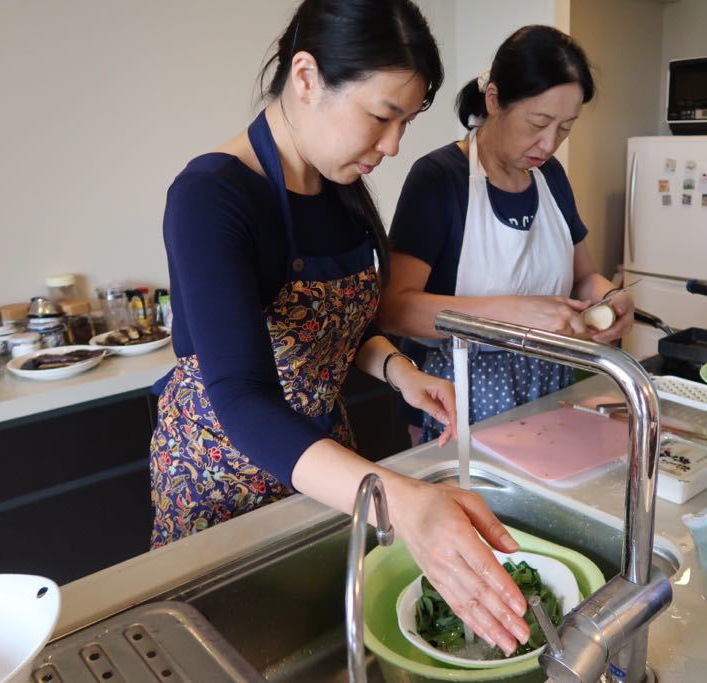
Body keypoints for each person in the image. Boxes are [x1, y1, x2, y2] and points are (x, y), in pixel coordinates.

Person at [150, 0, 530, 654]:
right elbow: (241, 398)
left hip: (328, 472)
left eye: (404, 123)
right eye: (382, 116)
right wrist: (400, 500)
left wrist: (398, 370)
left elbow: (340, 329)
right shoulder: (211, 196)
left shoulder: (338, 187)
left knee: (324, 641)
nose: (393, 146)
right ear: (305, 77)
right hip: (222, 484)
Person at [379, 25, 635, 443]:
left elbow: (584, 275)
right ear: (494, 99)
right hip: (460, 394)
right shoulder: (440, 178)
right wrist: (514, 314)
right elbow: (394, 309)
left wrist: (609, 299)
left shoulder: (550, 177)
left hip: (549, 382)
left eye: (566, 127)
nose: (549, 143)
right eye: (539, 122)